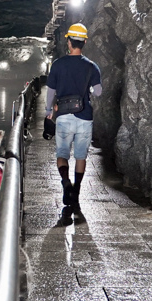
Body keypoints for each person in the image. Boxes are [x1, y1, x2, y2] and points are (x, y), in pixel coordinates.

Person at [45, 23, 102, 212]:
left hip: (63, 116)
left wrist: (48, 110)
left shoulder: (58, 64)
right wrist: (89, 89)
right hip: (84, 116)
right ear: (84, 42)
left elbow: (50, 90)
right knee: (80, 156)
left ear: (68, 42)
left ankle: (65, 182)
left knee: (62, 154)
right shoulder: (92, 67)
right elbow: (98, 92)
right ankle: (76, 192)